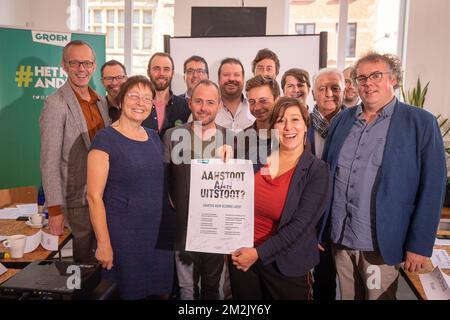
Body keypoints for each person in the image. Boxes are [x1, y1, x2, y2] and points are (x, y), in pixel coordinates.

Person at [320, 51, 447, 300]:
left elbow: (432, 188)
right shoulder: (342, 120)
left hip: (381, 245)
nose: (368, 83)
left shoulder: (420, 123)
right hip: (341, 240)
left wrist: (419, 246)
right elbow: (326, 176)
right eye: (361, 77)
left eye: (376, 75)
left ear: (394, 79)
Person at [229, 97, 331, 300]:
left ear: (305, 125)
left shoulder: (317, 171)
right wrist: (224, 160)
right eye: (281, 120)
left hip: (285, 265)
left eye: (295, 119)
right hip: (243, 258)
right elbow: (232, 197)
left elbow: (300, 226)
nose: (288, 127)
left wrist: (258, 254)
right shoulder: (255, 157)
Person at [87, 75, 174, 299]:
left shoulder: (155, 138)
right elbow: (94, 197)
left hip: (157, 237)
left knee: (158, 293)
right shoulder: (105, 139)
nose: (140, 103)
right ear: (121, 100)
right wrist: (103, 243)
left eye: (147, 98)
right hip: (123, 239)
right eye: (134, 96)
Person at [39, 40, 110, 263]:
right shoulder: (56, 103)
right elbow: (49, 161)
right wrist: (55, 210)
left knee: (103, 263)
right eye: (75, 63)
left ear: (94, 65)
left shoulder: (101, 102)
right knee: (82, 268)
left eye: (87, 63)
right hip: (75, 202)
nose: (82, 69)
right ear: (64, 66)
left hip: (103, 198)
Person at [164, 79, 231, 300]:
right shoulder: (172, 137)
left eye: (210, 102)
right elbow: (165, 183)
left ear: (219, 105)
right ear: (190, 103)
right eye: (199, 101)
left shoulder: (232, 140)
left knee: (213, 288)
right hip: (183, 229)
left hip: (216, 230)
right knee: (187, 289)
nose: (204, 107)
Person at [143, 52, 191, 138]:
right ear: (148, 72)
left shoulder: (185, 106)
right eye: (156, 69)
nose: (161, 73)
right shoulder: (139, 105)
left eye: (166, 69)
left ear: (172, 73)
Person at [309, 68, 345, 159]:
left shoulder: (356, 124)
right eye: (322, 89)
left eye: (335, 88)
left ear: (344, 93)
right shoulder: (302, 123)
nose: (329, 94)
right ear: (313, 95)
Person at [215, 57, 255, 131]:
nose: (231, 79)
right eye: (226, 74)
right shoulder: (207, 110)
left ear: (243, 79)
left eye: (236, 75)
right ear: (218, 79)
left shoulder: (255, 107)